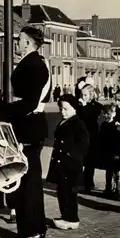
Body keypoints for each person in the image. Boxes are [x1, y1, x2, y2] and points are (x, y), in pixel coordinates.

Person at [0, 26, 51, 238]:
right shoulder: (36, 62)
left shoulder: (33, 65)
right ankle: (34, 228)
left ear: (27, 42)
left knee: (27, 180)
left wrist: (2, 110)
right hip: (29, 127)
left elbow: (31, 102)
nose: (17, 43)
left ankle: (31, 230)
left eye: (20, 39)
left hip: (28, 128)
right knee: (27, 179)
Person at [46, 94, 89, 230]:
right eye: (61, 109)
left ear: (74, 108)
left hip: (70, 165)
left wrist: (72, 155)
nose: (62, 112)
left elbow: (84, 142)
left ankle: (72, 218)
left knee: (69, 193)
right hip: (62, 164)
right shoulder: (64, 122)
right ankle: (65, 216)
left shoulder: (77, 123)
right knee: (62, 191)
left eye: (65, 109)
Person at [77, 84, 103, 194]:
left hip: (91, 136)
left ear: (91, 95)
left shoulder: (96, 106)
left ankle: (88, 183)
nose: (83, 97)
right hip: (80, 137)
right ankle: (79, 181)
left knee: (89, 162)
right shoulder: (79, 105)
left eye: (86, 95)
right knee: (79, 160)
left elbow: (90, 118)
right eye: (82, 95)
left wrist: (84, 107)